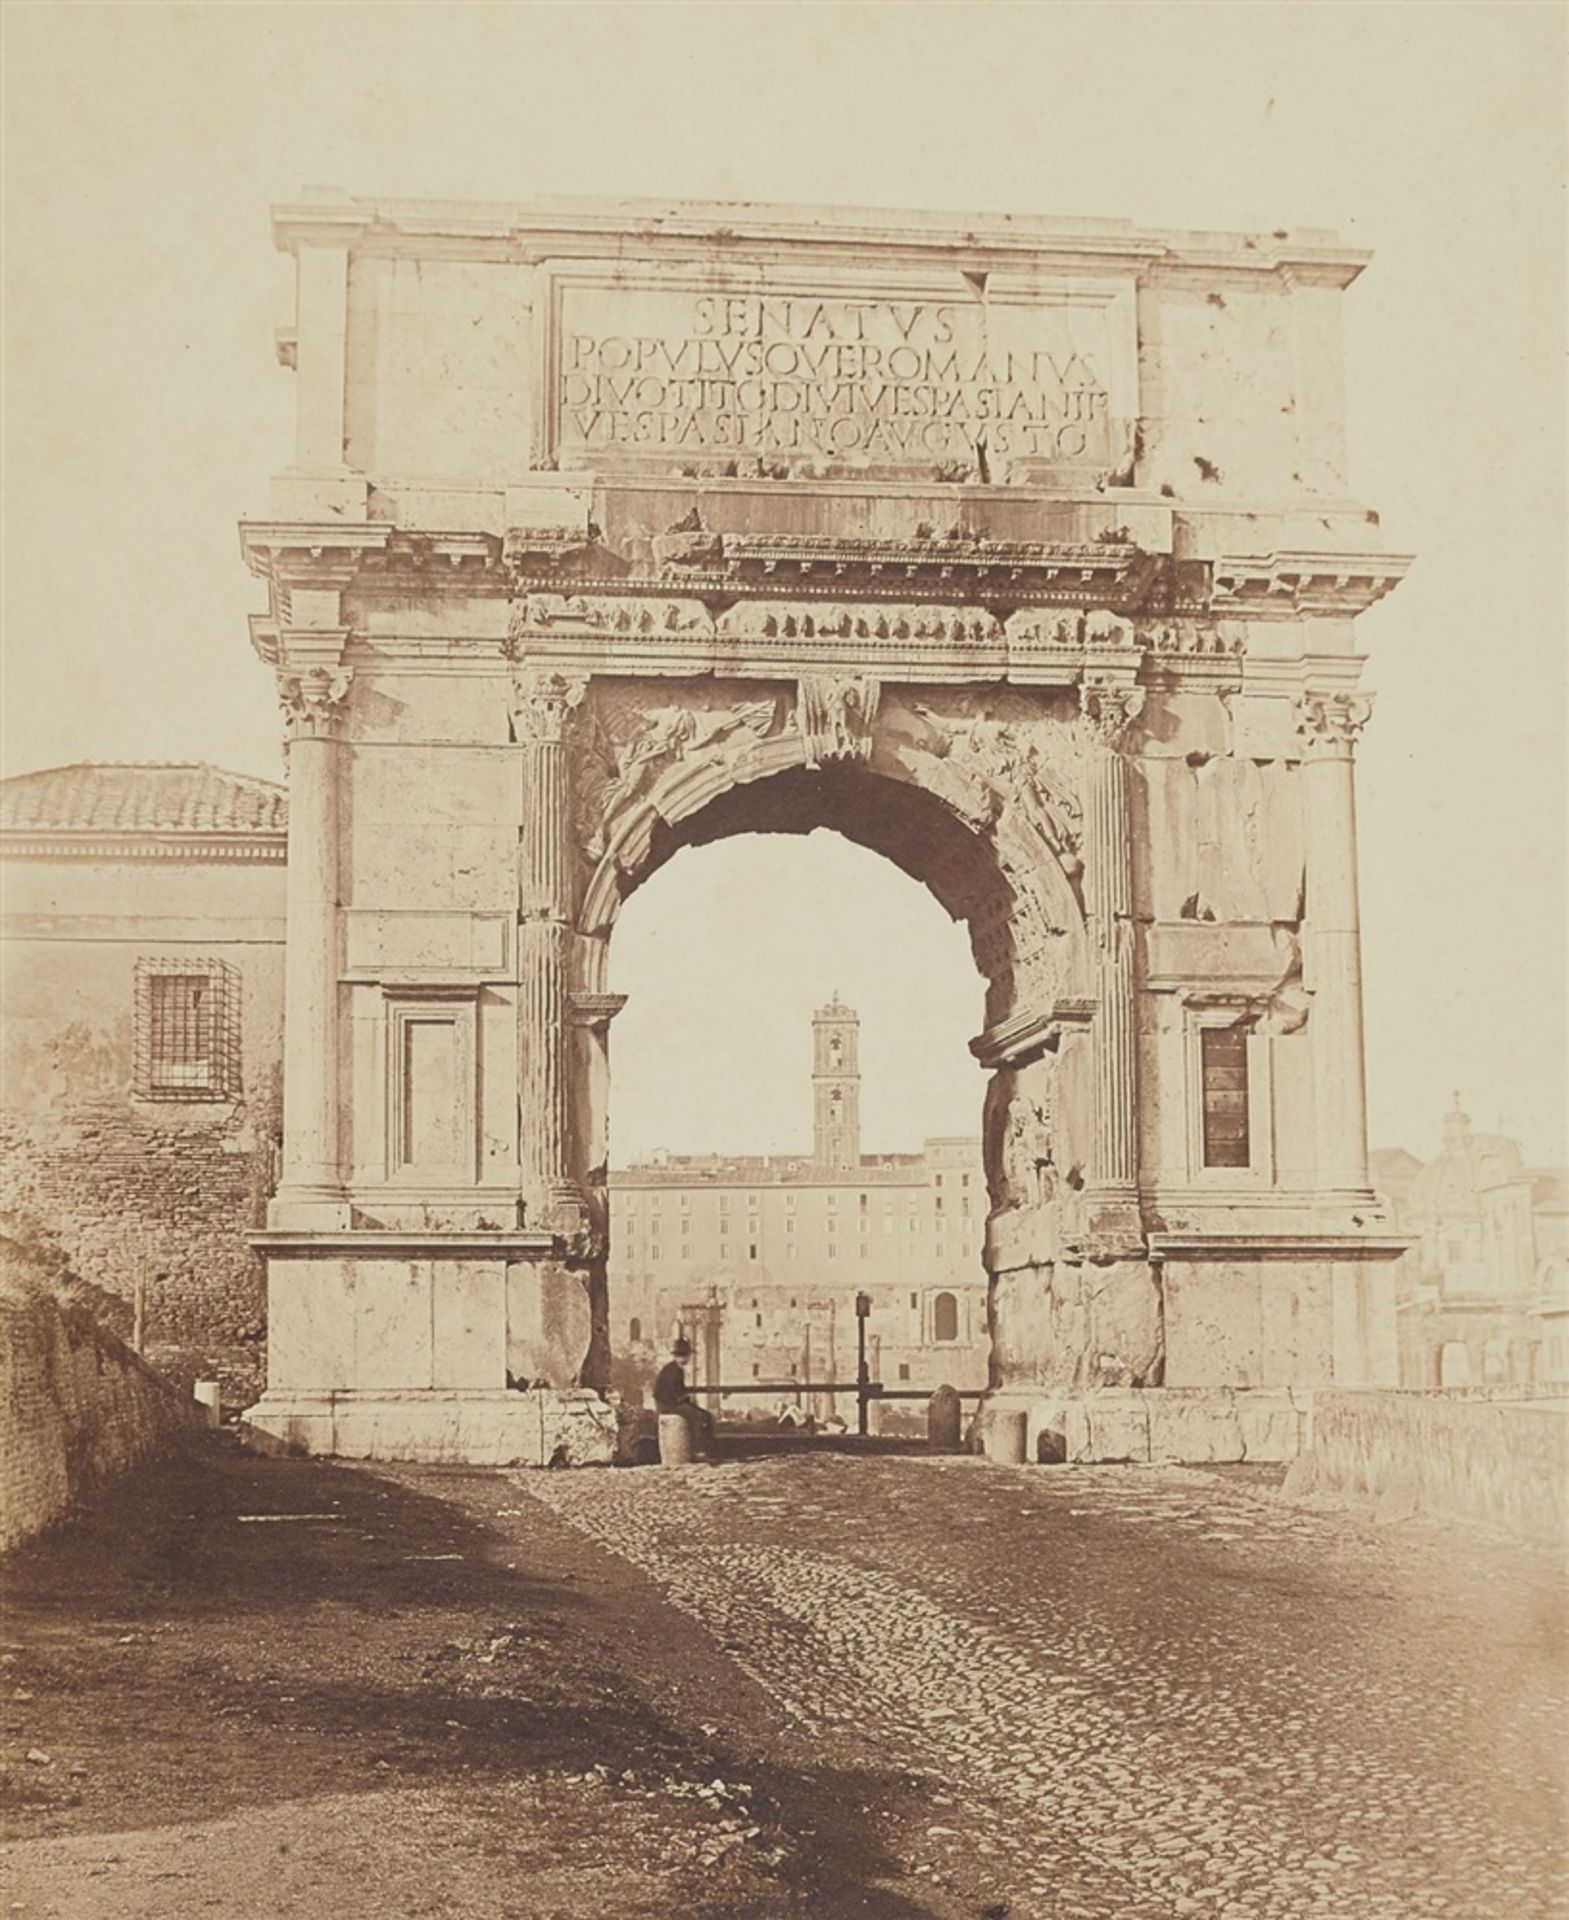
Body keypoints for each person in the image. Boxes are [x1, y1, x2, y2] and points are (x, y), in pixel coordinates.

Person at [651, 1338, 714, 1456]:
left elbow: (677, 1390)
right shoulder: (673, 1370)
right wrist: (685, 1399)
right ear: (681, 1356)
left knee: (705, 1415)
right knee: (700, 1417)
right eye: (686, 1356)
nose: (687, 1359)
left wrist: (686, 1398)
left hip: (672, 1403)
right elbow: (669, 1393)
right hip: (669, 1405)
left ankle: (704, 1449)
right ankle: (698, 1450)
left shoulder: (674, 1368)